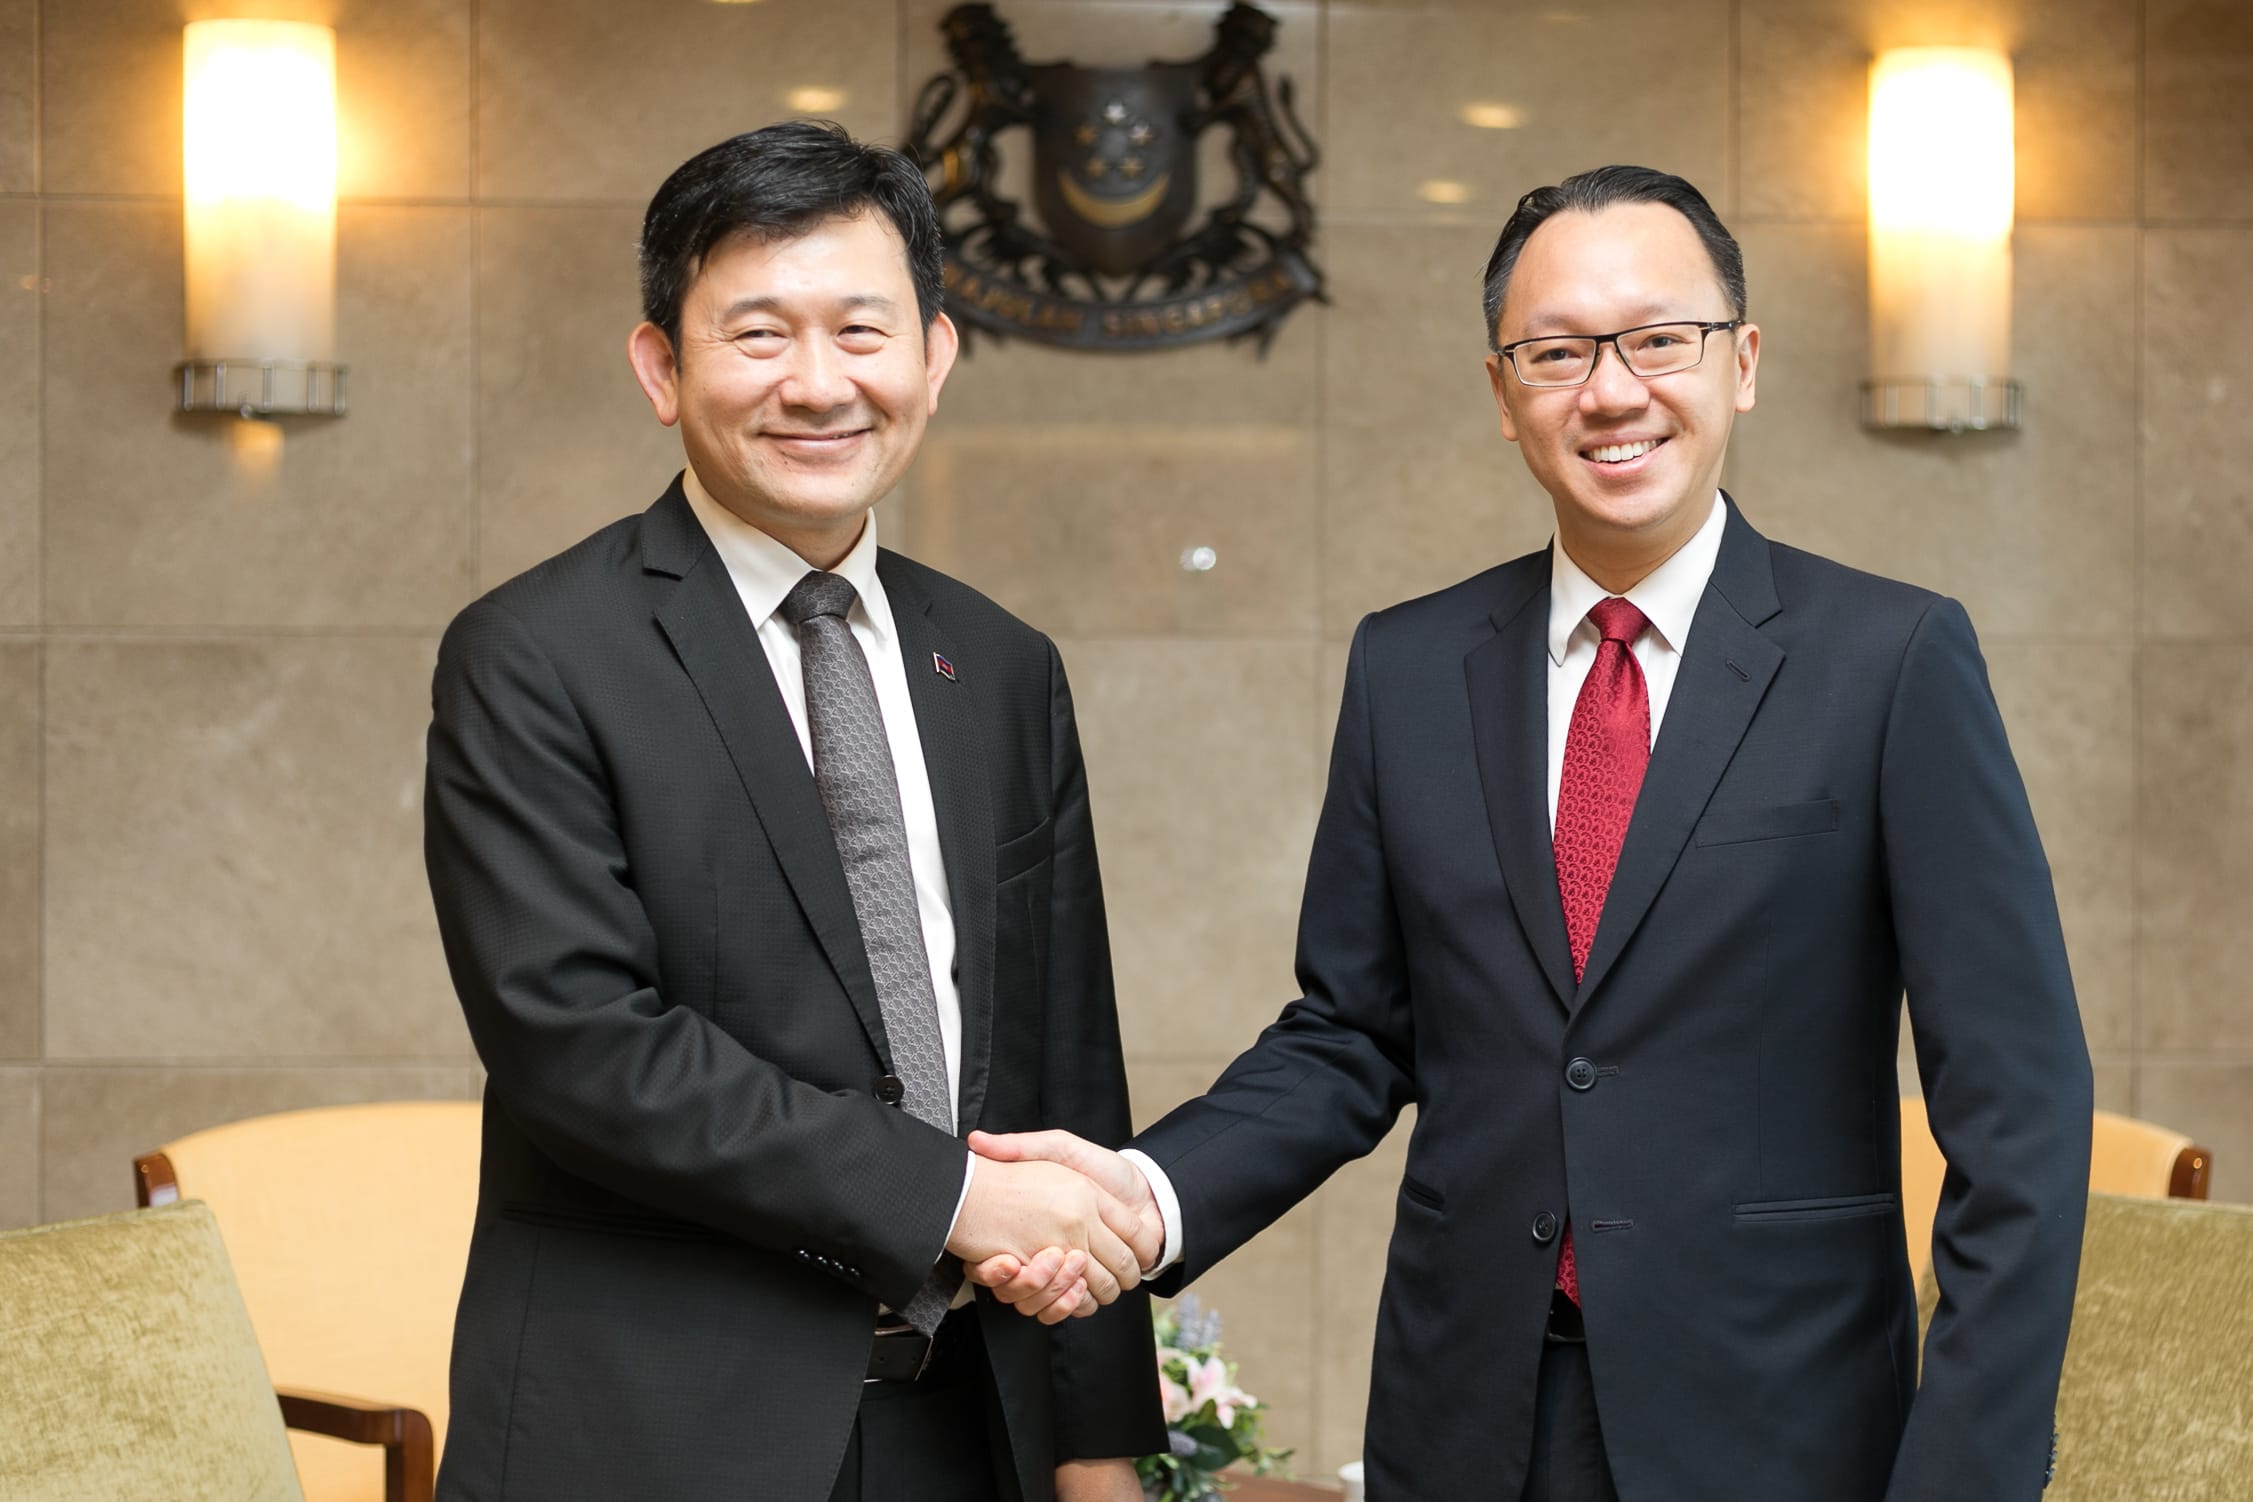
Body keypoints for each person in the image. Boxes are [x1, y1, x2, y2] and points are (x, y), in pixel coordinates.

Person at [970, 165, 2093, 1502]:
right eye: (1556, 352)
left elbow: (2017, 1112)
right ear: (1505, 395)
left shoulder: (1890, 660)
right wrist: (1143, 1197)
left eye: (1657, 339)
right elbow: (1349, 1031)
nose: (1609, 391)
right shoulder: (1410, 666)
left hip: (1782, 1428)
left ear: (1739, 362)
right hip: (1472, 1419)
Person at [422, 121, 1161, 1502]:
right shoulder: (536, 653)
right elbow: (581, 1049)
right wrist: (950, 1199)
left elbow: (1066, 1061)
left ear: (934, 357)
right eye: (758, 334)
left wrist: (1096, 1436)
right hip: (651, 1430)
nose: (818, 383)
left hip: (962, 1425)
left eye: (860, 330)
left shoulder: (1000, 663)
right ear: (661, 365)